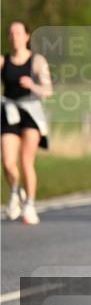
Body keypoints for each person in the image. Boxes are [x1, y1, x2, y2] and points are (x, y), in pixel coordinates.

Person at [2, 22, 52, 225]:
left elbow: (48, 90)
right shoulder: (3, 61)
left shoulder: (37, 61)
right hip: (10, 112)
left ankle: (30, 205)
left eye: (18, 33)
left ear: (27, 36)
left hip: (31, 113)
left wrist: (33, 85)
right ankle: (15, 191)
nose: (15, 37)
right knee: (7, 162)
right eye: (11, 33)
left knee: (26, 162)